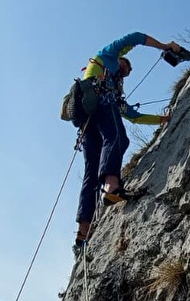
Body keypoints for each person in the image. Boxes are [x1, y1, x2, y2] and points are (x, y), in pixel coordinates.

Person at [74, 32, 181, 255]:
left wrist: (162, 120)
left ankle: (82, 232)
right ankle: (112, 187)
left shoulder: (114, 89)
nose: (127, 70)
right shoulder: (108, 55)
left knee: (91, 172)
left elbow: (134, 116)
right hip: (99, 103)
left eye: (129, 71)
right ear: (120, 59)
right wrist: (164, 45)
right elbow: (136, 37)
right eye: (126, 66)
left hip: (86, 117)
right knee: (118, 138)